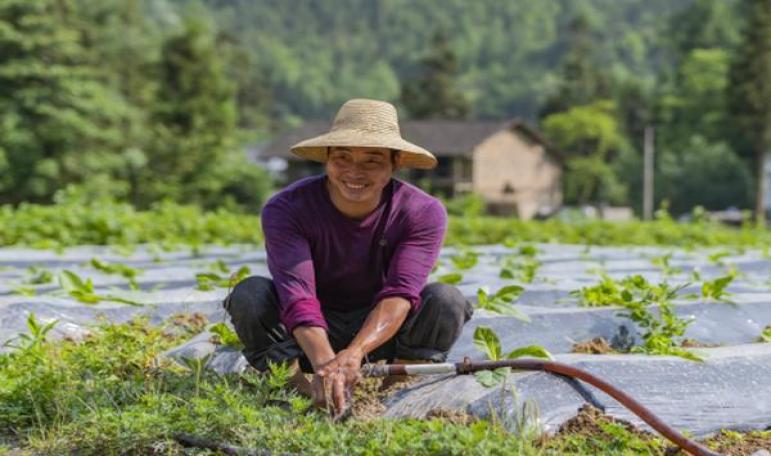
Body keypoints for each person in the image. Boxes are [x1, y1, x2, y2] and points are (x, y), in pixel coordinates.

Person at [223, 98, 473, 417]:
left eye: (372, 160)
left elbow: (399, 294)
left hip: (380, 332)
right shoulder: (287, 208)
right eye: (342, 157)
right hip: (308, 329)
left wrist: (355, 353)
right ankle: (294, 388)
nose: (354, 172)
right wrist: (327, 365)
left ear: (395, 163)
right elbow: (298, 296)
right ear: (327, 159)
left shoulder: (422, 212)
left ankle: (393, 390)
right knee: (251, 294)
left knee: (445, 300)